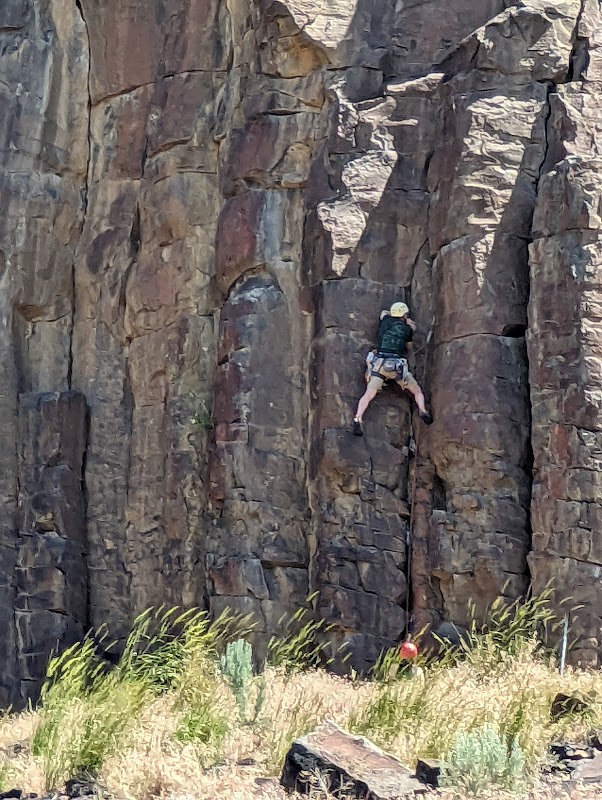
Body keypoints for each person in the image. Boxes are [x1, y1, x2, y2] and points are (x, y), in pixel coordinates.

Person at [352, 302, 433, 436]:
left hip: (380, 364)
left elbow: (384, 313)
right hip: (396, 365)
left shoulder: (385, 320)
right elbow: (409, 346)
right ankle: (423, 410)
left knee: (368, 394)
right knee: (417, 391)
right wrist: (408, 325)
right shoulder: (407, 329)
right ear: (404, 315)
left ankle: (358, 418)